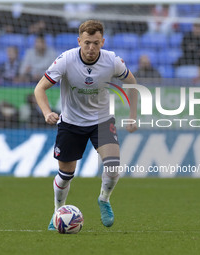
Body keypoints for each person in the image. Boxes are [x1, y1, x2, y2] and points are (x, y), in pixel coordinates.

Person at [34, 20, 138, 230]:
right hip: (71, 123)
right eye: (87, 43)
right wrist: (47, 113)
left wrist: (133, 115)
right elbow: (39, 89)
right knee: (65, 176)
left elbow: (132, 83)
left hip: (101, 120)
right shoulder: (65, 60)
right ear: (79, 41)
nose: (91, 48)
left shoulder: (112, 61)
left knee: (113, 166)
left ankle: (104, 199)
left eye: (96, 43)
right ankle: (58, 211)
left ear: (103, 42)